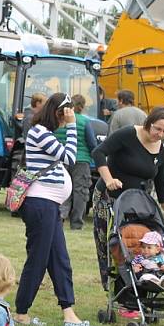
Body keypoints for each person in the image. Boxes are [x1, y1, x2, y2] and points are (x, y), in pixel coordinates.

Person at [13, 92, 97, 326]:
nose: (67, 119)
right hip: (41, 204)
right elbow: (70, 157)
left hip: (47, 204)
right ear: (59, 113)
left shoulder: (43, 133)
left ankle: (68, 313)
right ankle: (21, 312)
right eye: (66, 114)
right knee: (38, 259)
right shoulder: (39, 132)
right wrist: (72, 127)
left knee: (59, 259)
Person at [91, 106, 164, 290]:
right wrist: (109, 179)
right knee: (111, 244)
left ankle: (138, 287)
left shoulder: (162, 151)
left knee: (137, 244)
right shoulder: (128, 134)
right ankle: (113, 288)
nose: (160, 134)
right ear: (148, 123)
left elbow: (162, 185)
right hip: (109, 197)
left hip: (135, 203)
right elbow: (98, 153)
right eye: (157, 129)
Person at [55, 94, 97, 229]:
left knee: (62, 189)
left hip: (62, 159)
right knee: (80, 191)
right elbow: (91, 143)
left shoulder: (59, 120)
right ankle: (76, 222)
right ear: (82, 107)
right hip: (81, 160)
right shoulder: (85, 121)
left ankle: (60, 218)